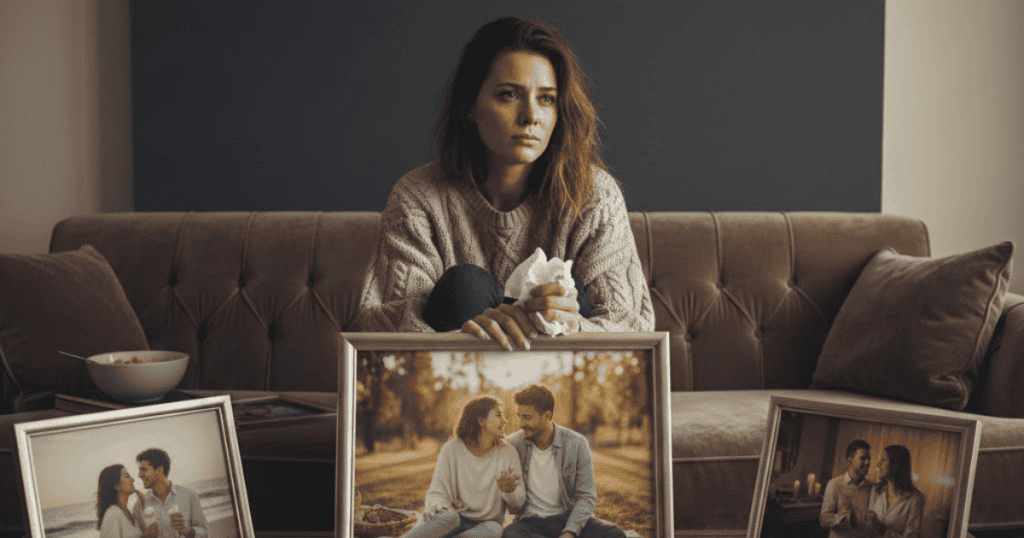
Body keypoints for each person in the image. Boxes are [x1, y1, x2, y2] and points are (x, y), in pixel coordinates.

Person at [354, 16, 654, 350]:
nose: (531, 116)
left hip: (563, 377)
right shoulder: (418, 196)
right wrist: (467, 336)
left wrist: (574, 325)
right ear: (470, 104)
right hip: (457, 381)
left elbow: (632, 325)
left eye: (547, 98)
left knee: (566, 298)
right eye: (509, 95)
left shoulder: (594, 194)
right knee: (465, 287)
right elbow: (381, 323)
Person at [502, 384, 625, 538]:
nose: (521, 424)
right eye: (519, 416)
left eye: (527, 417)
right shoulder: (512, 445)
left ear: (547, 416)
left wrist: (570, 533)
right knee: (510, 534)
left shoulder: (577, 443)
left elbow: (586, 496)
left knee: (615, 534)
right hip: (531, 522)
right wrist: (507, 489)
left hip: (568, 518)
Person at [403, 395, 525, 538]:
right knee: (448, 517)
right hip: (452, 519)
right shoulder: (451, 449)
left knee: (495, 530)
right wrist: (436, 504)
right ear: (481, 421)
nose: (505, 421)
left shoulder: (507, 453)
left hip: (486, 525)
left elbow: (518, 504)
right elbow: (437, 492)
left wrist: (510, 491)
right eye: (499, 415)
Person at [131, 448, 208, 538]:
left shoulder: (189, 495)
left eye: (143, 469)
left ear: (159, 470)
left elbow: (204, 532)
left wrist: (188, 531)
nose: (139, 475)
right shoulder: (139, 505)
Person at [865, 445, 925, 538]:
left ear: (896, 464)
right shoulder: (876, 491)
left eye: (884, 460)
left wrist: (883, 530)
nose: (878, 464)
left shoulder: (914, 500)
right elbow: (868, 528)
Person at [820, 439, 875, 538]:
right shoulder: (834, 485)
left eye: (869, 458)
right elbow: (823, 521)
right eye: (863, 458)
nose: (867, 462)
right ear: (850, 460)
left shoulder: (872, 488)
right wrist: (839, 517)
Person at [96, 464, 155, 538]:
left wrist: (143, 505)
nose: (132, 479)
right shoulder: (113, 514)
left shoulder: (128, 514)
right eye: (127, 476)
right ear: (116, 485)